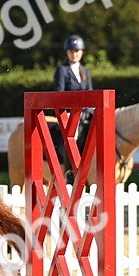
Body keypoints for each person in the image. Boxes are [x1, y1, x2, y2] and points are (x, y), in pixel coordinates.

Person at [51, 35, 94, 181]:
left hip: (84, 113)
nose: (74, 54)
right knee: (73, 136)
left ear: (81, 52)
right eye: (71, 51)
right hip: (69, 113)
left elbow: (89, 94)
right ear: (67, 52)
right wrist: (75, 110)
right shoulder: (62, 70)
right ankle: (69, 172)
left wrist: (87, 110)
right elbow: (59, 94)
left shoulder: (85, 71)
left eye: (77, 51)